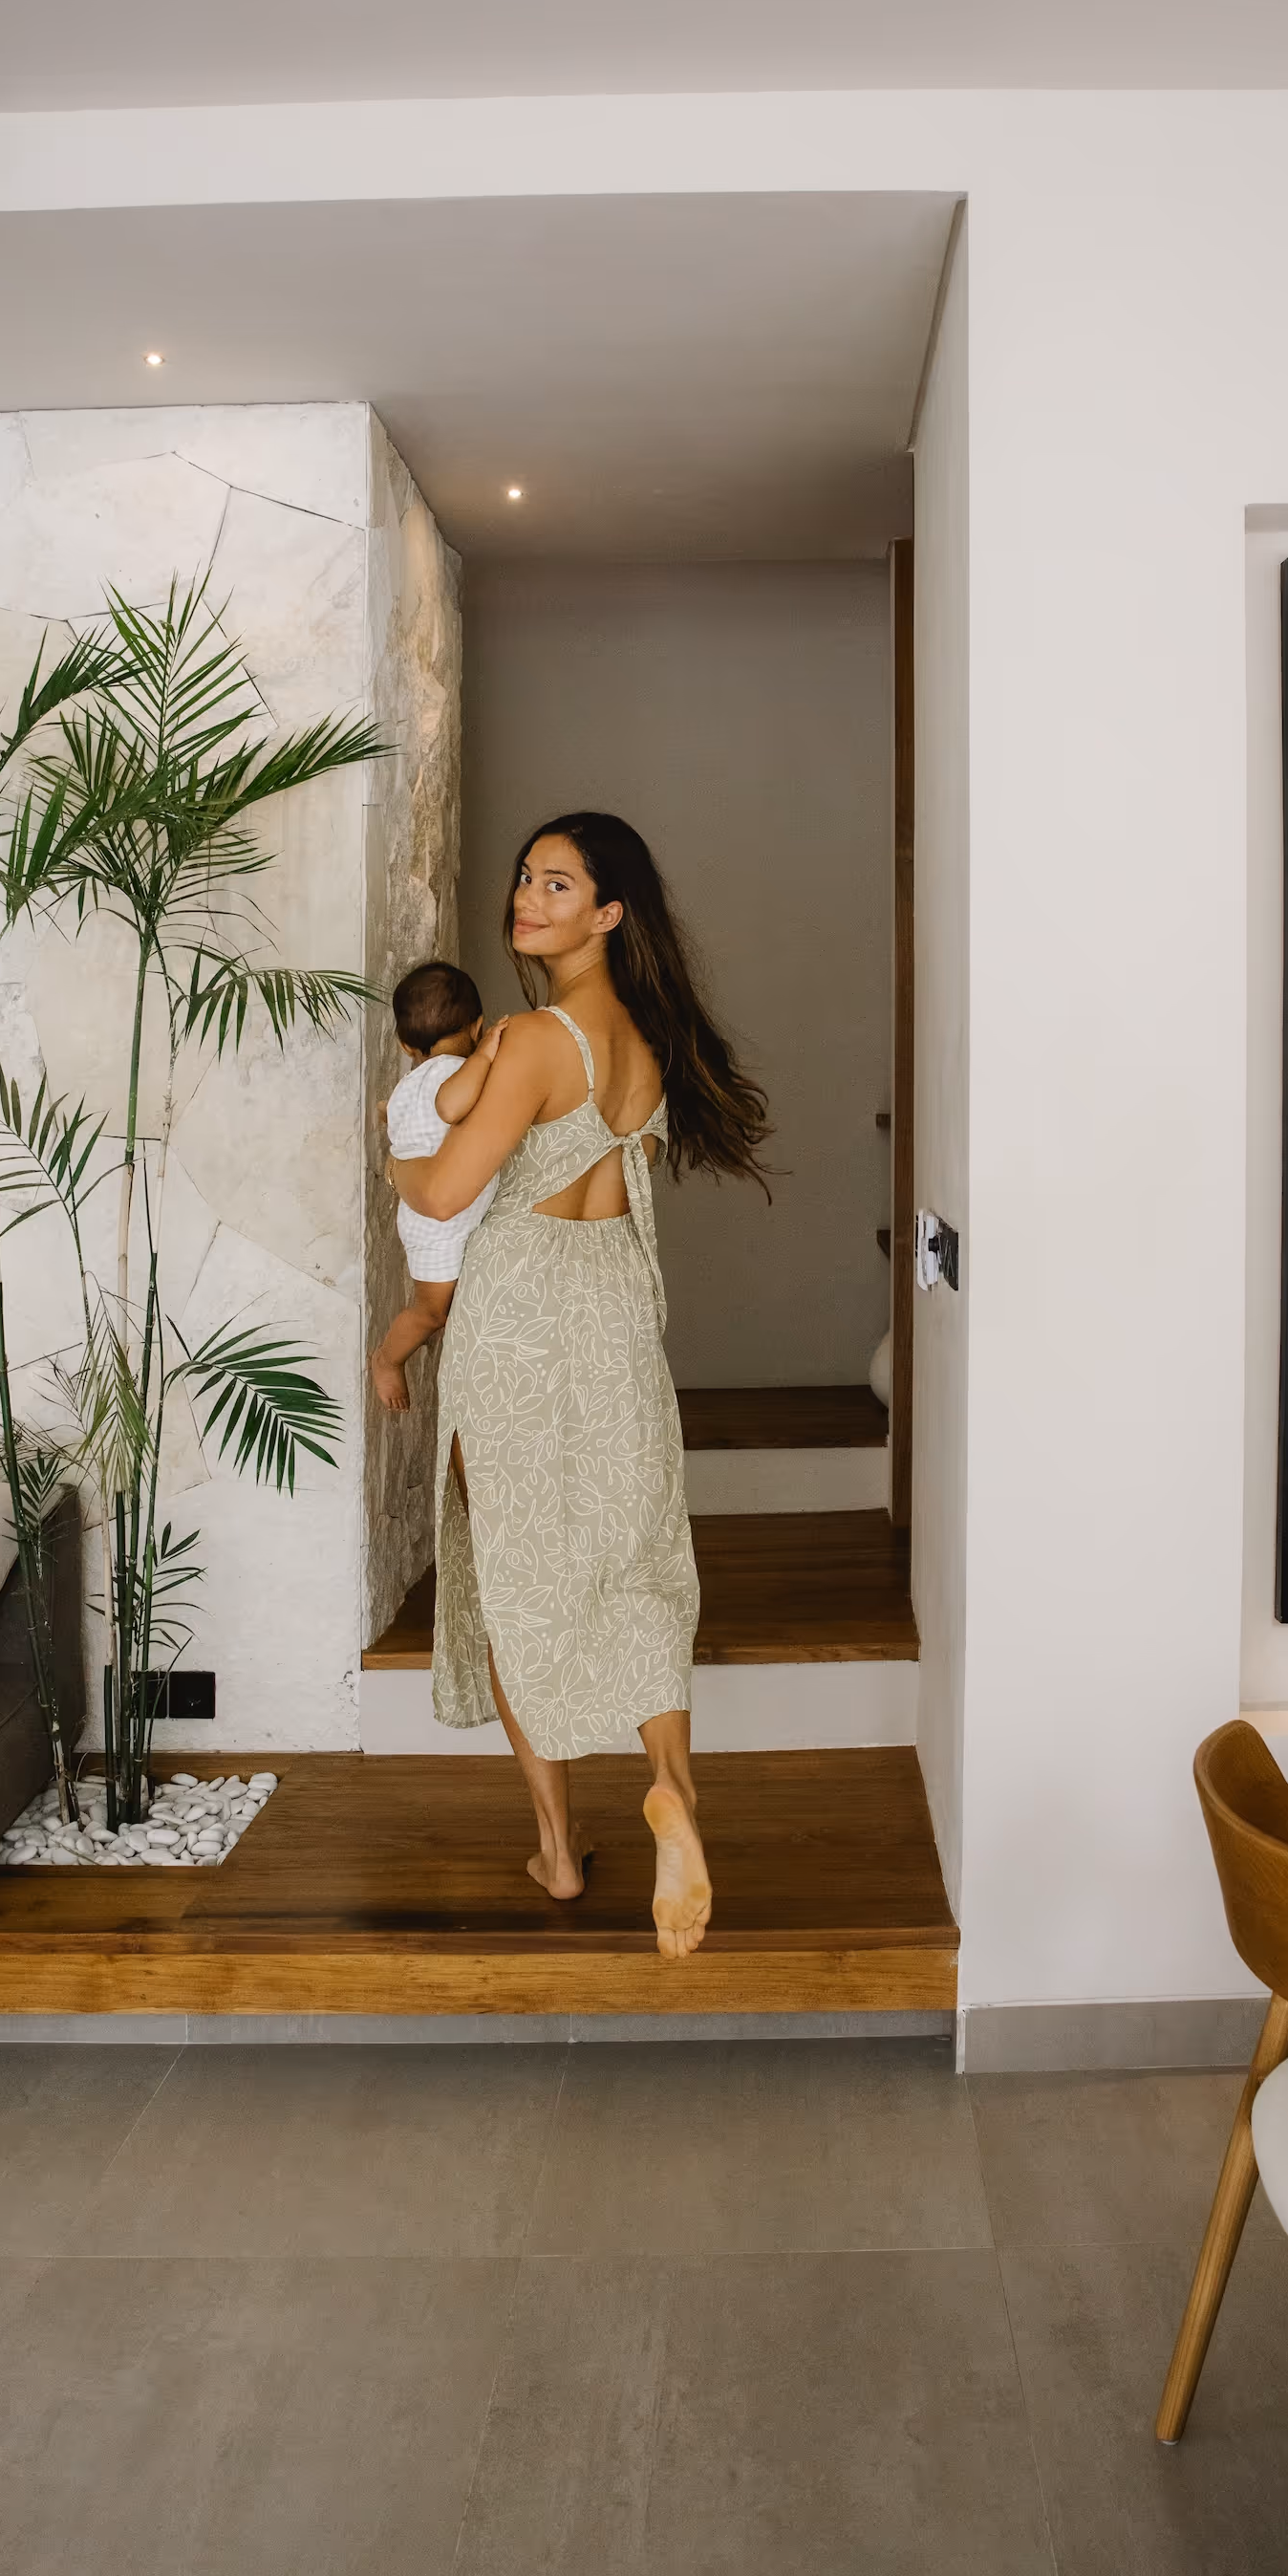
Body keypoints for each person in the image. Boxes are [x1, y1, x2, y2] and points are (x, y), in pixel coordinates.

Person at [387, 812, 770, 1959]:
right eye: (525, 876)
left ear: (608, 913)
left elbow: (444, 1194)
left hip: (516, 1310)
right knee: (634, 1557)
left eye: (557, 884)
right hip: (611, 1305)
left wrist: (388, 1147)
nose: (527, 895)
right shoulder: (644, 1041)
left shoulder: (538, 1039)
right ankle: (671, 1790)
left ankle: (556, 1849)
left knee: (516, 1576)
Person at [370, 961, 505, 1416]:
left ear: (406, 1046)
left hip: (429, 1214)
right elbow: (450, 1106)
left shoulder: (410, 1083)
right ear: (478, 1026)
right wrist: (485, 1056)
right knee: (432, 1312)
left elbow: (392, 1114)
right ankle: (387, 1359)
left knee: (447, 1308)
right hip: (436, 1226)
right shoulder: (455, 1071)